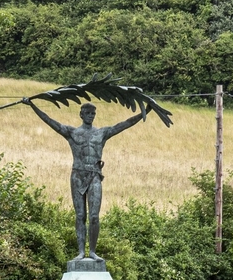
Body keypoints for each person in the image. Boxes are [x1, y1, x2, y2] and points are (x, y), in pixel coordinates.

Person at [23, 98, 145, 261]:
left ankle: (92, 252)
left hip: (94, 175)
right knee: (80, 215)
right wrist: (32, 105)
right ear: (81, 114)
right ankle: (81, 252)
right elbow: (50, 121)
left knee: (94, 216)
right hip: (78, 176)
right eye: (87, 113)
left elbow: (125, 123)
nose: (91, 116)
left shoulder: (101, 133)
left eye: (93, 113)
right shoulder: (72, 132)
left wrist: (146, 111)